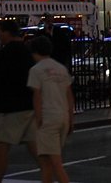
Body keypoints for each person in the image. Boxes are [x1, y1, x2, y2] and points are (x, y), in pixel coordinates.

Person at [0, 22, 43, 183]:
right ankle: (51, 174)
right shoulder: (27, 52)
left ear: (7, 33)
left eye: (0, 32)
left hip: (10, 106)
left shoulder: (5, 53)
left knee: (2, 148)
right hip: (27, 104)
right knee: (34, 147)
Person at [28, 34, 75, 183]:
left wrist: (38, 118)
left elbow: (37, 96)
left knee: (55, 163)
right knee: (46, 161)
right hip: (63, 116)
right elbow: (69, 95)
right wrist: (71, 118)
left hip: (48, 117)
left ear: (35, 52)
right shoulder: (60, 68)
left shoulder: (36, 70)